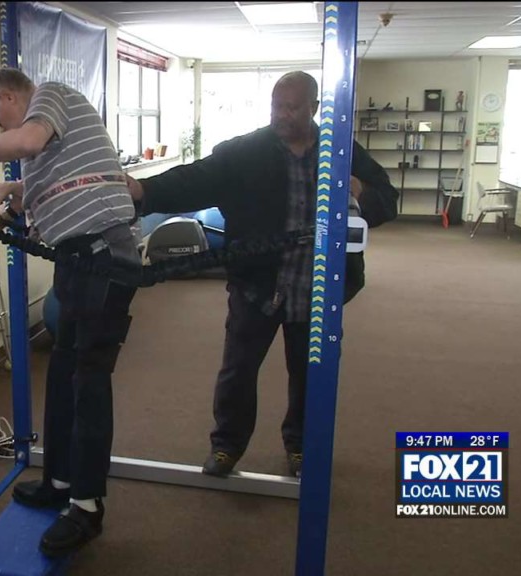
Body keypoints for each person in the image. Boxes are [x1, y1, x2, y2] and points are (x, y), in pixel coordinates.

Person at [126, 71, 399, 479]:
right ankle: (226, 446)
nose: (282, 115)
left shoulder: (341, 150)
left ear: (314, 108)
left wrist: (360, 192)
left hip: (317, 289)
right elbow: (195, 179)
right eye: (277, 106)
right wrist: (143, 191)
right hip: (257, 284)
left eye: (292, 107)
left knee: (309, 374)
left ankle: (301, 447)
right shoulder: (246, 152)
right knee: (238, 370)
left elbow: (388, 200)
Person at [0, 68, 141, 557]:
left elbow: (27, 139)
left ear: (8, 96)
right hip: (78, 260)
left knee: (88, 382)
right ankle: (60, 481)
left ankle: (87, 507)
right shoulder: (43, 150)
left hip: (102, 257)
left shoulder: (51, 96)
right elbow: (49, 186)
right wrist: (9, 196)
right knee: (63, 374)